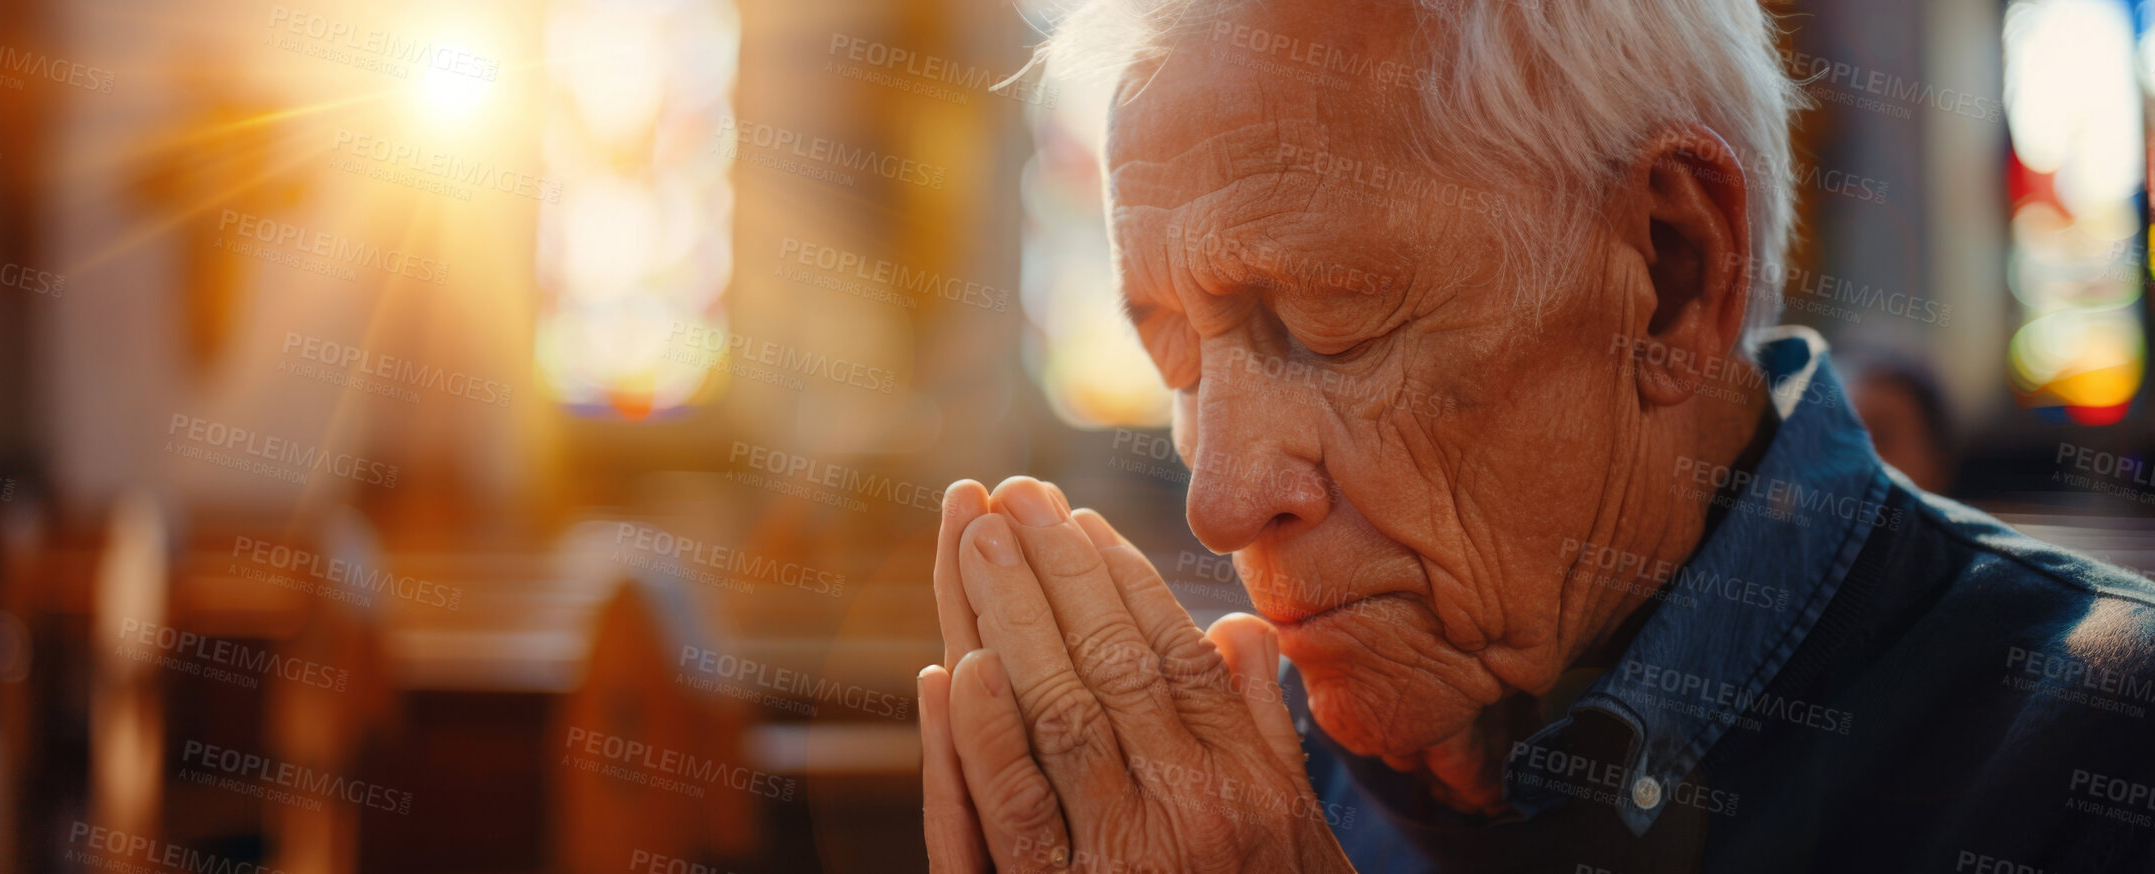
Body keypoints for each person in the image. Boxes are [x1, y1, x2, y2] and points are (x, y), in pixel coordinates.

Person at [917, 0, 2155, 871]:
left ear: (1670, 273)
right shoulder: (1225, 780)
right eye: (1174, 353)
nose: (1220, 499)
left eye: (1325, 320)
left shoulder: (2099, 765)